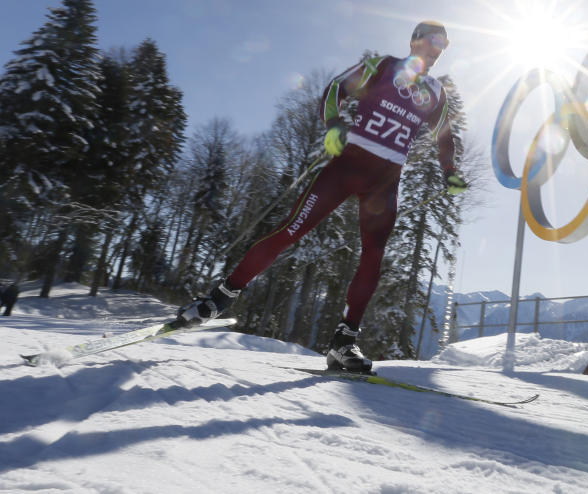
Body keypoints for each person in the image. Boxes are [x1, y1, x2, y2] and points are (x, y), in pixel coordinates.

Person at [176, 21, 467, 372]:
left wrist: (449, 170)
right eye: (433, 40)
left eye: (444, 44)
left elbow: (444, 136)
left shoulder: (435, 92)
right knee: (290, 230)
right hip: (348, 165)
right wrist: (333, 125)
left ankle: (343, 344)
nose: (437, 49)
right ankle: (218, 300)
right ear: (414, 40)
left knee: (373, 256)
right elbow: (335, 91)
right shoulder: (384, 66)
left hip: (385, 180)